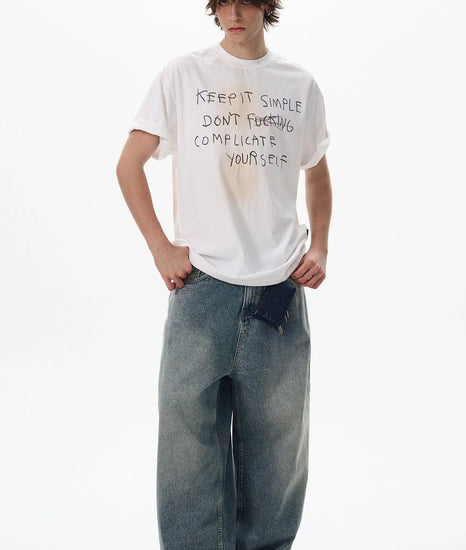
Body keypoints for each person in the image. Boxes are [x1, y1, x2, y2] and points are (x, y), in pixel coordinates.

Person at [116, 1, 332, 548]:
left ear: (267, 5)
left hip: (278, 290)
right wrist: (160, 248)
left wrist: (321, 246)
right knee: (187, 443)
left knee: (277, 448)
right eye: (223, 0)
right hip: (202, 285)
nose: (234, 11)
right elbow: (128, 164)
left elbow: (317, 172)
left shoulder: (299, 85)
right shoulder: (183, 74)